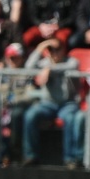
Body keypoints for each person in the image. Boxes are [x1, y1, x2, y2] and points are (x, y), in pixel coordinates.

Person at [21, 37, 80, 167]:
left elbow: (72, 66)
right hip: (47, 104)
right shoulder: (45, 62)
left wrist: (50, 69)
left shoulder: (71, 61)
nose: (54, 53)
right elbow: (28, 67)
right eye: (51, 50)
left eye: (57, 50)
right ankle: (31, 156)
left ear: (63, 50)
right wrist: (40, 47)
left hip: (67, 104)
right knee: (30, 115)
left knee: (70, 118)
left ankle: (70, 159)